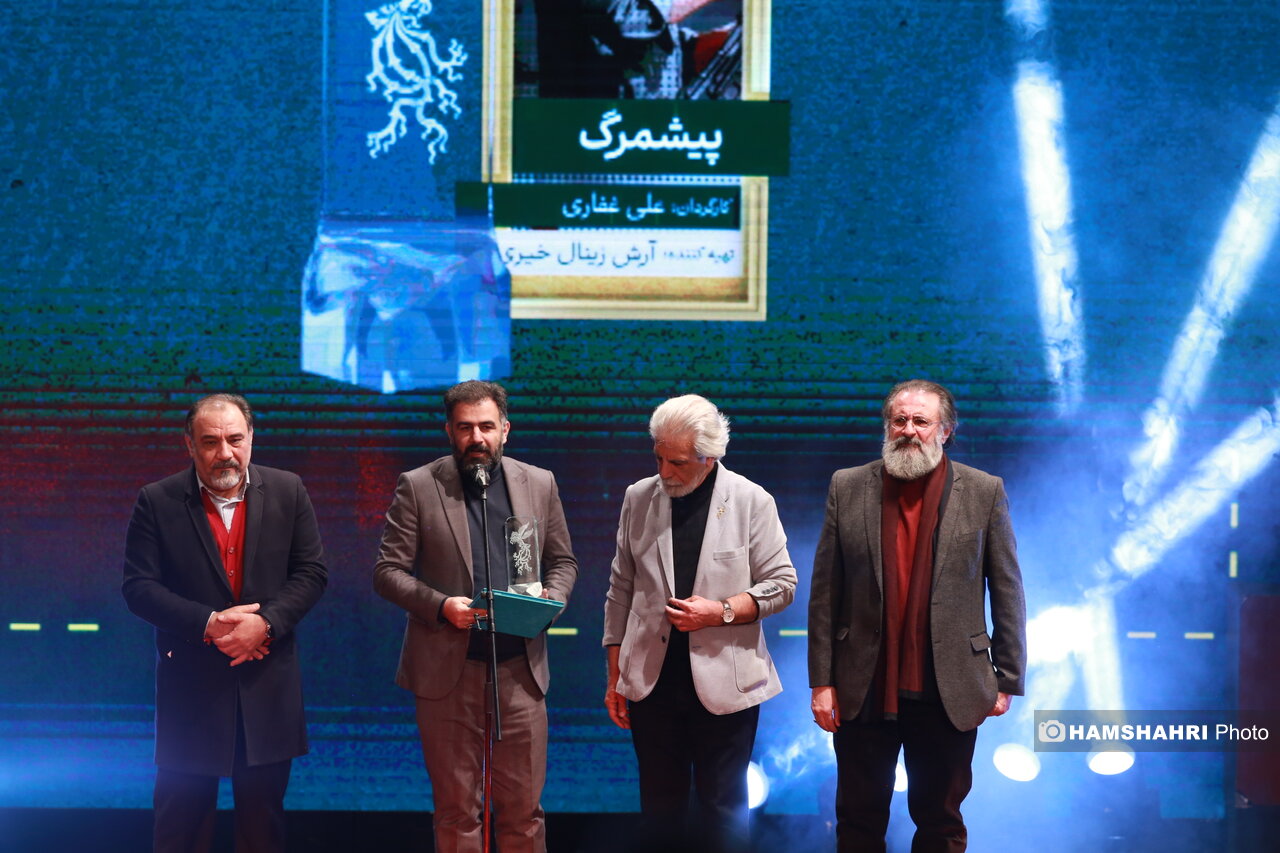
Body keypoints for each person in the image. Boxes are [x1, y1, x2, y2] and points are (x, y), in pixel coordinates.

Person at [808, 380, 1027, 852]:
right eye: (899, 420)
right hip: (863, 687)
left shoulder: (984, 490)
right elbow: (825, 592)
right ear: (887, 427)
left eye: (921, 421)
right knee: (858, 822)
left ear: (945, 431)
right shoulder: (848, 485)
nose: (909, 430)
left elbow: (1007, 588)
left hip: (949, 687)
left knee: (941, 823)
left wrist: (1008, 677)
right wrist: (821, 681)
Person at [373, 380, 577, 852]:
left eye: (486, 426)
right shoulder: (419, 485)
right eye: (465, 428)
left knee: (524, 813)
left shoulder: (539, 483)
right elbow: (387, 572)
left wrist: (551, 601)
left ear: (505, 429)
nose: (476, 438)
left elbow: (563, 561)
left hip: (520, 670)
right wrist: (441, 606)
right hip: (449, 671)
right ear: (449, 431)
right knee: (457, 811)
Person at [122, 393, 328, 852]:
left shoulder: (289, 490)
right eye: (210, 442)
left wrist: (266, 624)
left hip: (266, 682)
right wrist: (209, 623)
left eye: (235, 439)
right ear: (189, 444)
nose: (225, 453)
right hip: (191, 689)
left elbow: (312, 573)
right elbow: (138, 588)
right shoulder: (157, 500)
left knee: (262, 831)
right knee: (180, 828)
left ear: (251, 437)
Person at [603, 394, 796, 851]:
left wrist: (721, 611)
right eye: (659, 458)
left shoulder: (751, 500)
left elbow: (783, 584)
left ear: (709, 458)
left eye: (678, 463)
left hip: (727, 683)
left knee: (724, 811)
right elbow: (620, 588)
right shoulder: (638, 497)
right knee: (660, 813)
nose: (665, 472)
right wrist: (615, 676)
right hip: (651, 683)